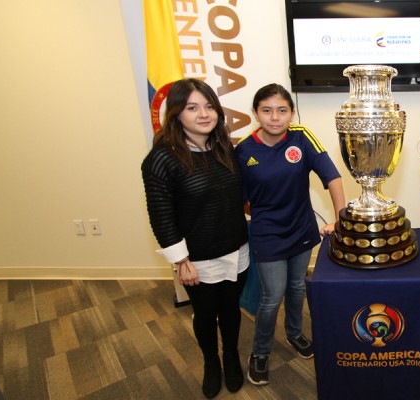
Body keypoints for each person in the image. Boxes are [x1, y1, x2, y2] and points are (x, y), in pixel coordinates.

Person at [141, 78, 250, 398]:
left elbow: (235, 196)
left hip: (235, 247)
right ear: (176, 114)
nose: (204, 114)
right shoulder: (161, 159)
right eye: (192, 107)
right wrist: (181, 261)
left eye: (208, 106)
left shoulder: (223, 147)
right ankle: (211, 362)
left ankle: (230, 357)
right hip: (197, 258)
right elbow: (161, 214)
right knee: (205, 314)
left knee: (231, 309)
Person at [235, 83, 346, 386]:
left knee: (298, 286)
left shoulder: (301, 137)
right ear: (256, 113)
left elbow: (332, 177)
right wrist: (263, 211)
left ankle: (295, 333)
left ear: (291, 113)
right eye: (267, 110)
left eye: (282, 110)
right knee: (272, 297)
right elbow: (238, 198)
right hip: (267, 233)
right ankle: (260, 352)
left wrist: (340, 219)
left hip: (300, 228)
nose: (275, 117)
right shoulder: (243, 150)